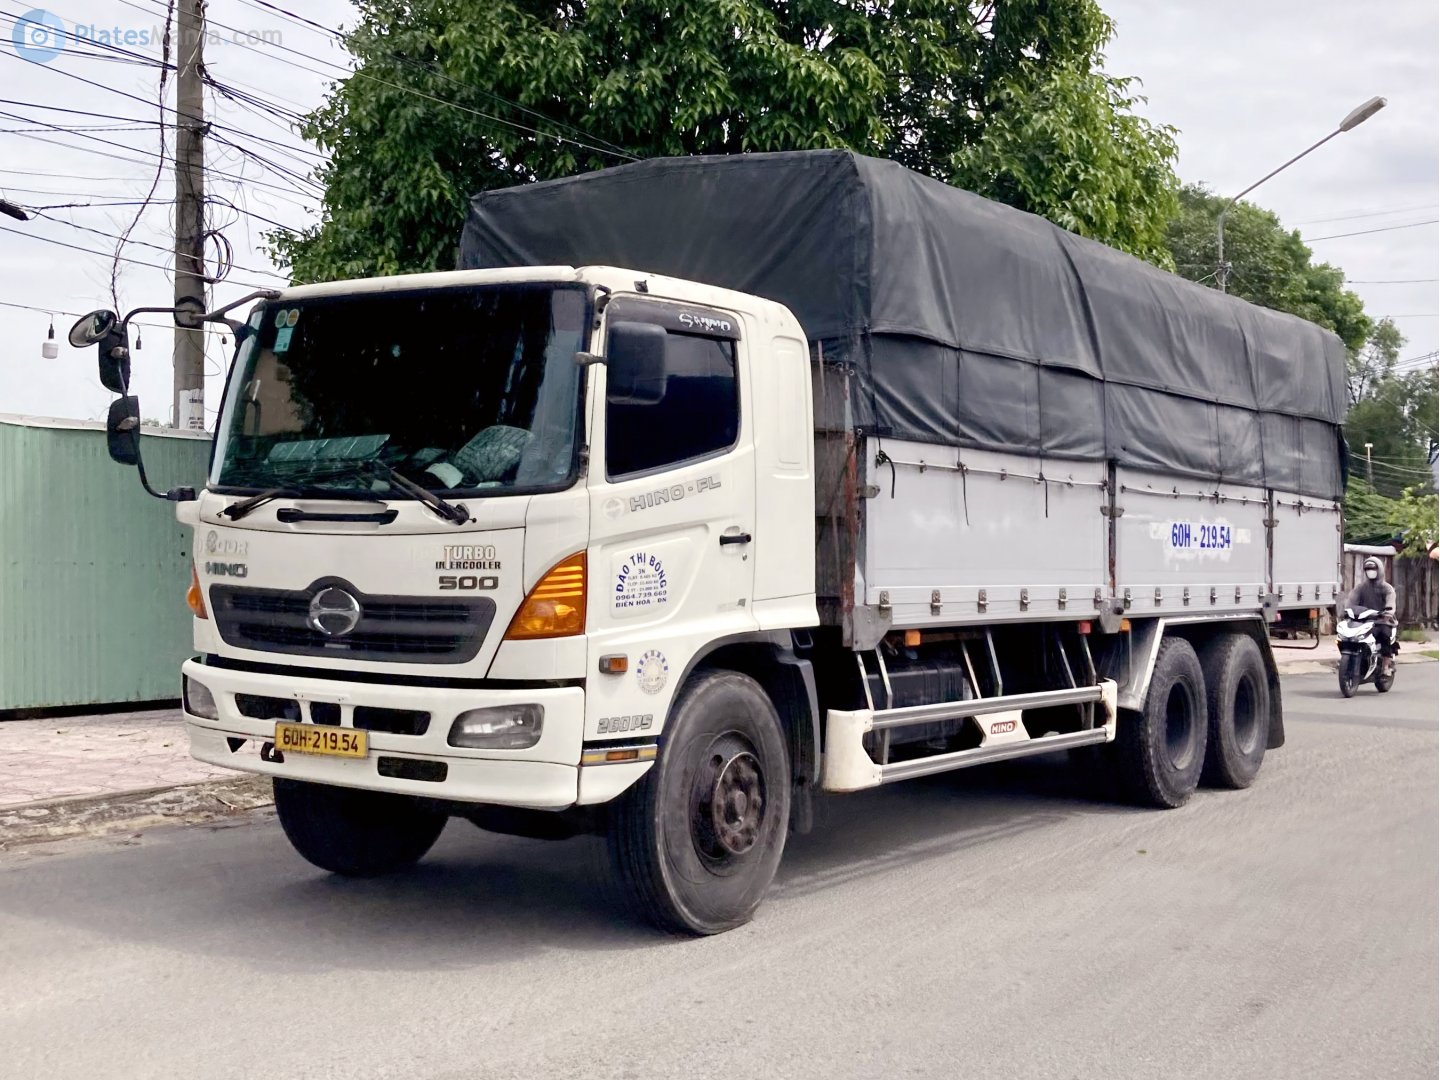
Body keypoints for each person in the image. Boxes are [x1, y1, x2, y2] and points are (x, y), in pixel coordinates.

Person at [1347, 556, 1398, 655]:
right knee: (1350, 637)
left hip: (1382, 621)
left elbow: (1390, 603)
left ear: (1379, 570)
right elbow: (1351, 601)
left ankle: (1385, 665)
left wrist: (1388, 613)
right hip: (1363, 621)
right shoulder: (1360, 587)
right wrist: (1346, 610)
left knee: (1384, 635)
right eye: (1368, 569)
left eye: (1373, 569)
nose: (1370, 571)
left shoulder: (1387, 588)